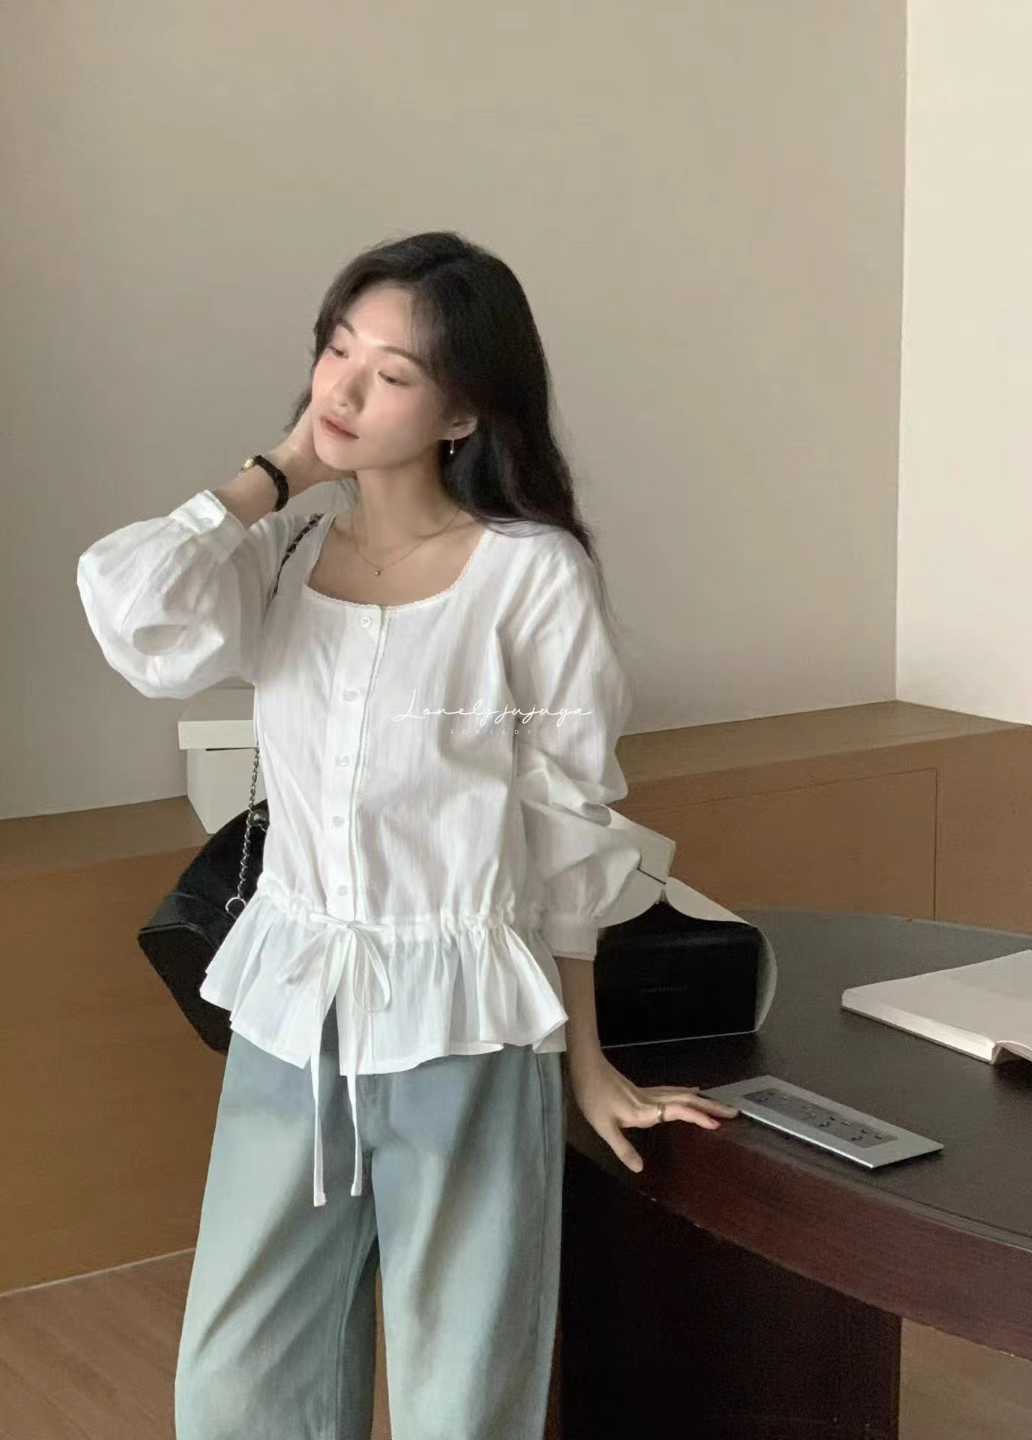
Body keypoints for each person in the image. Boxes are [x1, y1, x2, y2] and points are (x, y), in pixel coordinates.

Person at [76, 229, 737, 1440]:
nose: (343, 388)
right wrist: (277, 471)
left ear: (462, 414)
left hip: (467, 1024)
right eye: (337, 350)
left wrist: (584, 1063)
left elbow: (566, 831)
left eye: (390, 374)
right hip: (294, 1015)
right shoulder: (278, 555)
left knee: (460, 1393)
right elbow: (131, 609)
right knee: (235, 1388)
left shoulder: (530, 577)